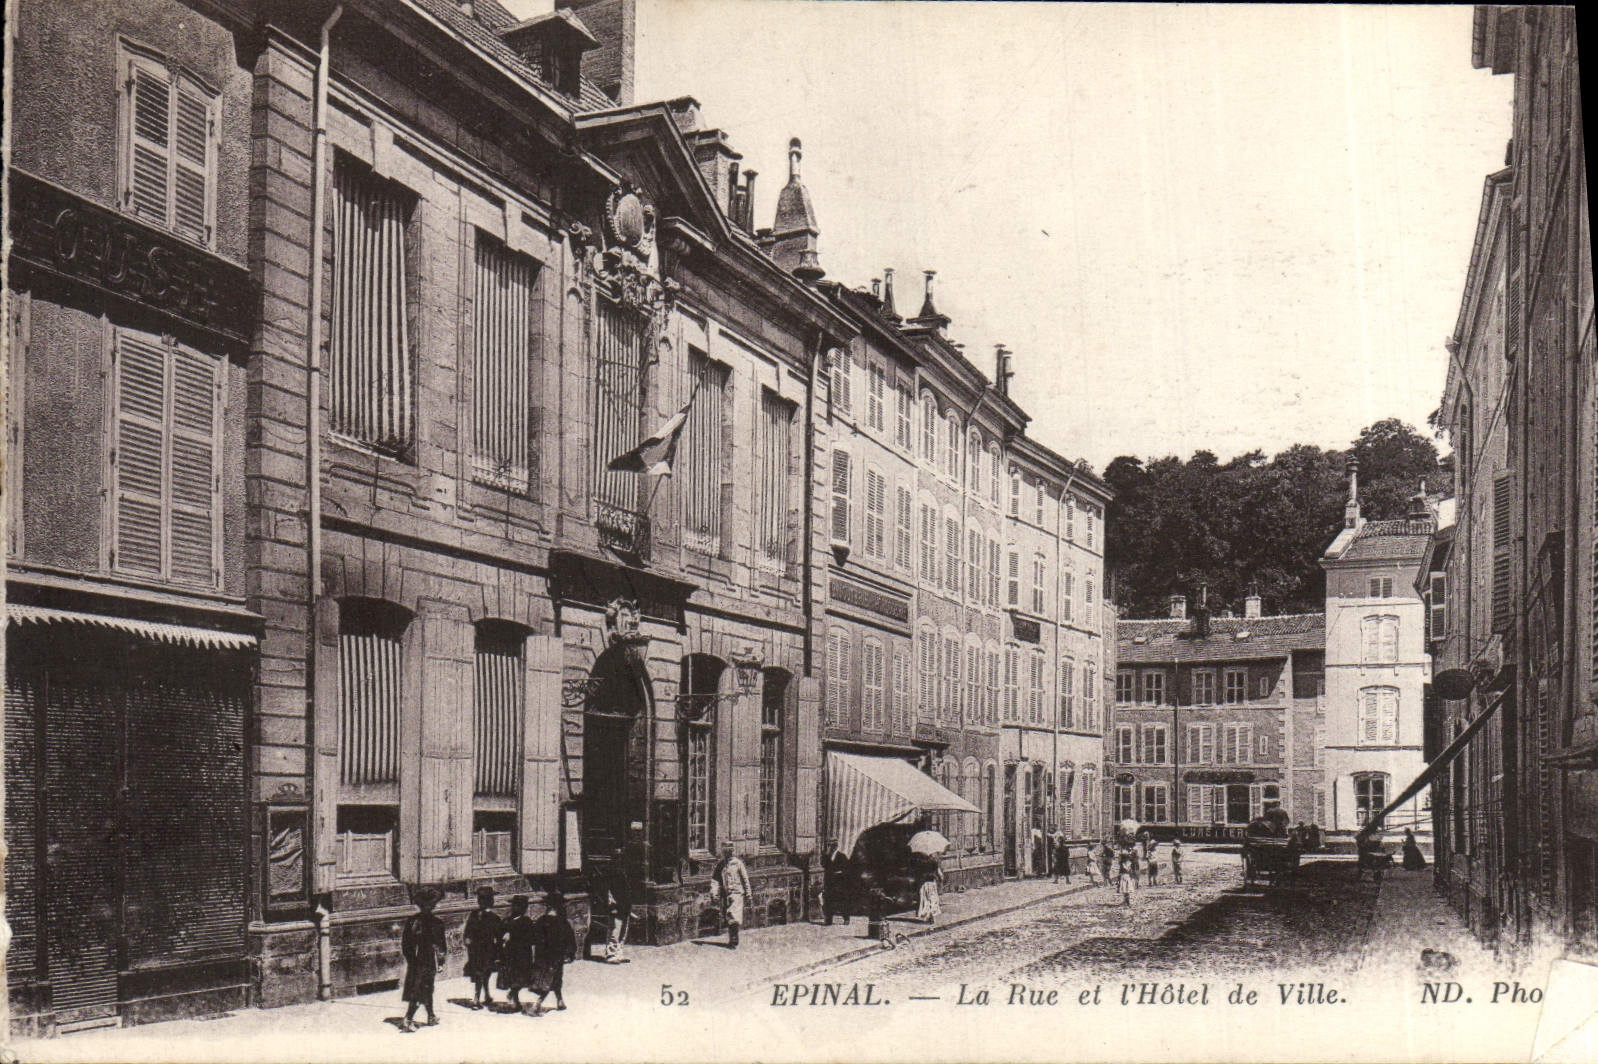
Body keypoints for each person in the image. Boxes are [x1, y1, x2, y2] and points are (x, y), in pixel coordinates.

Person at [399, 887, 446, 1032]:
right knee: (418, 989)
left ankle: (431, 1016)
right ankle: (408, 1018)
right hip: (421, 960)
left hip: (424, 960)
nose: (430, 907)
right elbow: (440, 946)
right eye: (429, 904)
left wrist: (440, 961)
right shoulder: (426, 922)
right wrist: (413, 959)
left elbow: (440, 945)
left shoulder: (417, 921)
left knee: (427, 988)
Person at [528, 890, 577, 1016]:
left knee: (552, 978)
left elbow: (534, 937)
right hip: (556, 956)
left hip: (542, 955)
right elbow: (570, 939)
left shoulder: (541, 920)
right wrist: (570, 953)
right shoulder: (562, 923)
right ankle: (537, 1004)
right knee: (552, 978)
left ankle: (560, 1000)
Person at [463, 885, 502, 1010]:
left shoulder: (473, 915)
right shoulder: (494, 917)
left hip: (475, 950)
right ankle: (476, 999)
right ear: (490, 901)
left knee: (482, 973)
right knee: (484, 973)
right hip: (488, 950)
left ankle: (485, 995)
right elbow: (499, 935)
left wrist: (468, 942)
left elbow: (467, 933)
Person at [496, 895, 536, 1012]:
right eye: (515, 905)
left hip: (523, 954)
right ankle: (515, 1000)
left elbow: (531, 938)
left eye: (521, 906)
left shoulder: (526, 921)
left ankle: (513, 996)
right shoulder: (506, 921)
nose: (517, 908)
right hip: (510, 955)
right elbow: (500, 935)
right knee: (513, 978)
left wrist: (512, 936)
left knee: (521, 978)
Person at [712, 842, 752, 948]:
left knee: (733, 915)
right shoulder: (721, 865)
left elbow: (745, 879)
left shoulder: (738, 863)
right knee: (728, 916)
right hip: (726, 894)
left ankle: (734, 939)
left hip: (737, 893)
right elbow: (715, 880)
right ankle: (733, 938)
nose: (727, 853)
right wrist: (714, 893)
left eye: (729, 851)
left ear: (732, 851)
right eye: (725, 851)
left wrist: (748, 893)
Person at [916, 856, 943, 923]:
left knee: (925, 900)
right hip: (931, 883)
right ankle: (930, 915)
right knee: (934, 900)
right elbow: (940, 874)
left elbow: (918, 874)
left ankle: (927, 916)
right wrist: (941, 881)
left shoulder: (921, 862)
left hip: (924, 884)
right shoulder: (934, 862)